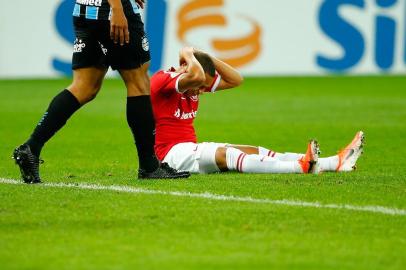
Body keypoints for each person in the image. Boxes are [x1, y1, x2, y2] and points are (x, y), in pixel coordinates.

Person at [13, 0, 190, 183]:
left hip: (85, 9)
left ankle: (31, 147)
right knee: (138, 82)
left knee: (84, 87)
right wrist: (117, 8)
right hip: (112, 10)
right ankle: (149, 165)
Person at [150, 47, 365, 174]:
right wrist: (187, 52)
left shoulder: (196, 80)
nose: (201, 90)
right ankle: (301, 167)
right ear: (186, 69)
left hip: (189, 148)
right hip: (170, 155)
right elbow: (196, 76)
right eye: (199, 86)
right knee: (229, 155)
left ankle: (333, 163)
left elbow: (236, 79)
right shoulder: (164, 80)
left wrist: (205, 56)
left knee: (254, 150)